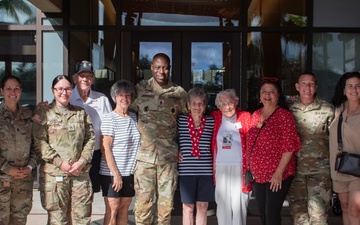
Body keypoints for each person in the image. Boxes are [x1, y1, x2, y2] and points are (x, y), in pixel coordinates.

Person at [132, 53, 188, 225]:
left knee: (165, 208)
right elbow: (124, 110)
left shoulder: (178, 93)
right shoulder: (139, 89)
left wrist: (182, 147)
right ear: (151, 68)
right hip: (144, 159)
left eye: (165, 67)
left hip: (168, 159)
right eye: (157, 67)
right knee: (143, 207)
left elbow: (187, 121)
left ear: (169, 68)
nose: (161, 71)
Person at [33, 75, 95, 225]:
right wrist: (60, 163)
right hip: (55, 177)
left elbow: (90, 139)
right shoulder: (43, 113)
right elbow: (39, 141)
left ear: (72, 90)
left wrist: (81, 162)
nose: (64, 92)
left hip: (79, 174)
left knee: (81, 219)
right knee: (57, 220)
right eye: (59, 88)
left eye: (67, 89)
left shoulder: (81, 113)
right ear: (53, 90)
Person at [246, 77, 301, 225]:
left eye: (272, 92)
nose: (267, 95)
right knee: (263, 215)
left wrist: (278, 173)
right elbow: (250, 142)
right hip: (258, 174)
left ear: (278, 95)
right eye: (264, 91)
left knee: (272, 215)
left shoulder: (285, 116)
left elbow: (289, 146)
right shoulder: (255, 115)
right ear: (259, 95)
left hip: (277, 174)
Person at [287, 72, 334, 225]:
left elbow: (334, 139)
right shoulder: (288, 110)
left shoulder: (327, 109)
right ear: (297, 86)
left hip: (320, 171)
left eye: (311, 84)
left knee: (319, 216)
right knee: (298, 216)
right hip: (295, 170)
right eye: (304, 83)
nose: (307, 87)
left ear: (316, 87)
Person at [99, 80, 140, 225]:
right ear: (114, 97)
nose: (124, 98)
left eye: (128, 95)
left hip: (129, 172)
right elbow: (105, 148)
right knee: (113, 209)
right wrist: (116, 174)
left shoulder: (134, 117)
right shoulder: (109, 118)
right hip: (111, 173)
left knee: (124, 209)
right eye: (120, 95)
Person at [0, 75, 39, 225]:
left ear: (21, 91)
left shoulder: (28, 116)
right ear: (2, 91)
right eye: (8, 89)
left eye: (16, 89)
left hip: (23, 183)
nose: (13, 92)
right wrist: (7, 169)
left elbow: (37, 146)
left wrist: (30, 167)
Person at [210, 89, 252, 225]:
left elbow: (252, 141)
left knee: (239, 204)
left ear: (236, 102)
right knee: (222, 204)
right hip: (221, 167)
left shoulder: (245, 117)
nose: (227, 107)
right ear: (218, 107)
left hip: (240, 167)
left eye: (230, 102)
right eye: (223, 104)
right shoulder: (215, 117)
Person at [70, 60, 112, 193]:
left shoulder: (102, 99)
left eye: (89, 76)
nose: (85, 79)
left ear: (93, 79)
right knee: (72, 190)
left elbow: (109, 126)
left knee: (91, 190)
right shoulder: (67, 97)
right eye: (82, 76)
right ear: (75, 78)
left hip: (95, 154)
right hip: (72, 153)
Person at [177, 87, 215, 225]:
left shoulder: (211, 122)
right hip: (186, 171)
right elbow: (169, 138)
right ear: (188, 105)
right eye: (193, 103)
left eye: (200, 103)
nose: (197, 106)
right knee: (187, 207)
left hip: (206, 171)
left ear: (205, 106)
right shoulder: (180, 121)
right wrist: (175, 150)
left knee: (202, 207)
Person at [329, 71, 360, 225]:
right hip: (339, 168)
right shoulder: (337, 109)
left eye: (358, 86)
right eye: (350, 86)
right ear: (344, 89)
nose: (354, 90)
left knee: (356, 209)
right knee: (345, 207)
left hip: (358, 170)